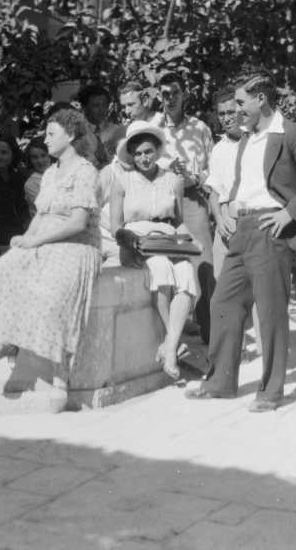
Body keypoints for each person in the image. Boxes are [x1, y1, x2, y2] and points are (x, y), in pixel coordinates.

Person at [187, 69, 296, 412]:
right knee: (223, 303)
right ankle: (220, 383)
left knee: (269, 312)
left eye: (241, 102)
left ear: (261, 99)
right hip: (241, 228)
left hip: (271, 231)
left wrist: (291, 213)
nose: (236, 110)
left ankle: (270, 391)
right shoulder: (246, 136)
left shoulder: (289, 133)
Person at [0, 108, 102, 394]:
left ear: (70, 135)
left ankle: (61, 374)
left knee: (54, 288)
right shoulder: (49, 174)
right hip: (47, 239)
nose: (45, 140)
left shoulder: (86, 171)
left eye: (51, 134)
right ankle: (7, 339)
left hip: (77, 244)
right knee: (4, 267)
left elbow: (78, 222)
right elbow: (40, 215)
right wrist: (27, 237)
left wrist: (37, 241)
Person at [110, 121, 198, 379]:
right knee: (161, 269)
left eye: (148, 151)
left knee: (186, 275)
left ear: (157, 151)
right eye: (137, 153)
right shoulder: (122, 181)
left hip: (168, 239)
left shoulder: (172, 180)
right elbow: (116, 225)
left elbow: (179, 219)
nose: (143, 158)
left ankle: (169, 346)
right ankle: (173, 347)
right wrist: (128, 240)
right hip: (138, 242)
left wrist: (192, 240)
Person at [151, 72, 215, 343]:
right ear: (159, 96)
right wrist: (166, 169)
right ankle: (168, 337)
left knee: (203, 265)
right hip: (162, 202)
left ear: (184, 94)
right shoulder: (154, 129)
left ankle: (210, 333)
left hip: (192, 199)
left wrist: (196, 178)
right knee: (166, 265)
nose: (170, 99)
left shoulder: (199, 128)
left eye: (175, 93)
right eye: (164, 94)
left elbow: (214, 167)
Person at [205, 85, 262, 358]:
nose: (227, 117)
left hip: (252, 218)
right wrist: (219, 219)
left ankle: (265, 350)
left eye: (232, 111)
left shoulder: (257, 142)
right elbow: (214, 193)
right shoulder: (218, 149)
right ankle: (233, 348)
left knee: (258, 287)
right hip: (225, 220)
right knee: (223, 287)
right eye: (222, 113)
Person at [79, 85, 125, 160]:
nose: (102, 109)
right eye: (96, 105)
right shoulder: (78, 134)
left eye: (104, 105)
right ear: (84, 108)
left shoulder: (117, 131)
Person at [23, 137, 52, 215]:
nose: (40, 161)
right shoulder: (31, 184)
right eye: (35, 157)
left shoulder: (62, 170)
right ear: (30, 160)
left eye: (43, 155)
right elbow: (48, 209)